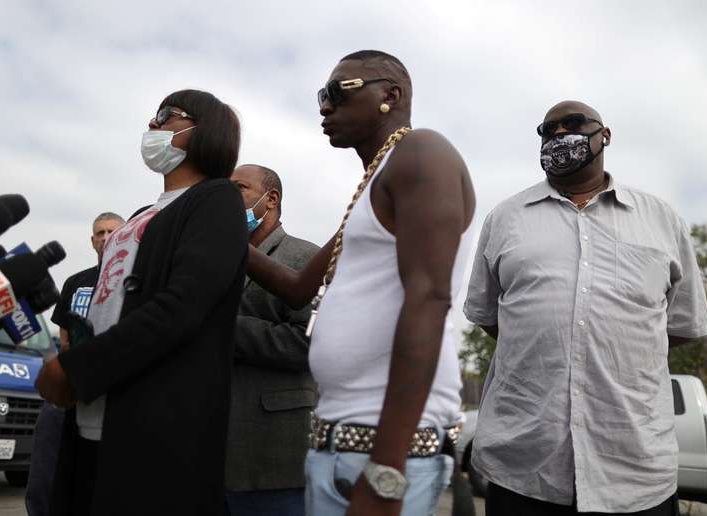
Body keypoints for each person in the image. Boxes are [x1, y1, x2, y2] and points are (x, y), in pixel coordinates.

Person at [246, 50, 476, 516]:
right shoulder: (373, 190)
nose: (324, 107)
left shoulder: (422, 153)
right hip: (336, 446)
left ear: (389, 95)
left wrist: (386, 472)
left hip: (384, 452)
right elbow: (296, 288)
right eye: (321, 96)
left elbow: (429, 299)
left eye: (336, 92)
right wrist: (213, 229)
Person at [465, 100, 707, 515]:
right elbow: (493, 318)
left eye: (573, 123)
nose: (559, 133)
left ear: (605, 135)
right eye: (548, 129)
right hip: (524, 467)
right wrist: (552, 337)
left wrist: (619, 345)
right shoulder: (505, 219)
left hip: (635, 470)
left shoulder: (660, 220)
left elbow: (683, 324)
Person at [35, 89, 248, 516]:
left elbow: (181, 307)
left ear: (203, 131)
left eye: (166, 116)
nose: (152, 126)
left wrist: (78, 368)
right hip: (95, 417)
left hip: (155, 429)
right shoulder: (142, 216)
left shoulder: (217, 200)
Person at [223, 164, 319, 516]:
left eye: (239, 188)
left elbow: (308, 343)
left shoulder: (305, 258)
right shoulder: (216, 259)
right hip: (211, 456)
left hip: (275, 458)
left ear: (271, 198)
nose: (227, 197)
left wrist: (224, 329)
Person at [25, 212, 124, 516]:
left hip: (111, 394)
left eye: (112, 232)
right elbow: (64, 335)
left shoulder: (132, 282)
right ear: (92, 240)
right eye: (100, 232)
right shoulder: (75, 282)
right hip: (68, 390)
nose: (105, 237)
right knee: (46, 475)